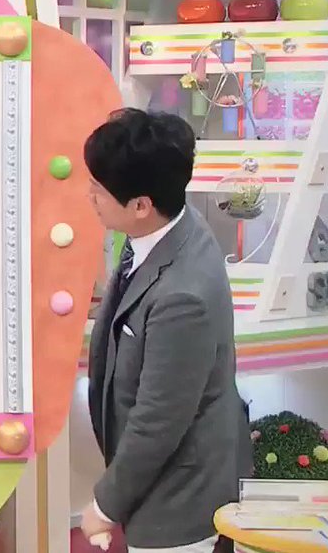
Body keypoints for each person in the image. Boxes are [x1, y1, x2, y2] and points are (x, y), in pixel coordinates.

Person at [80, 108, 251, 553]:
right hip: (160, 485)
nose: (89, 196)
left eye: (98, 189)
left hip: (181, 499)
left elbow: (158, 421)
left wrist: (105, 505)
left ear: (141, 205)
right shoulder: (167, 227)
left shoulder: (183, 296)